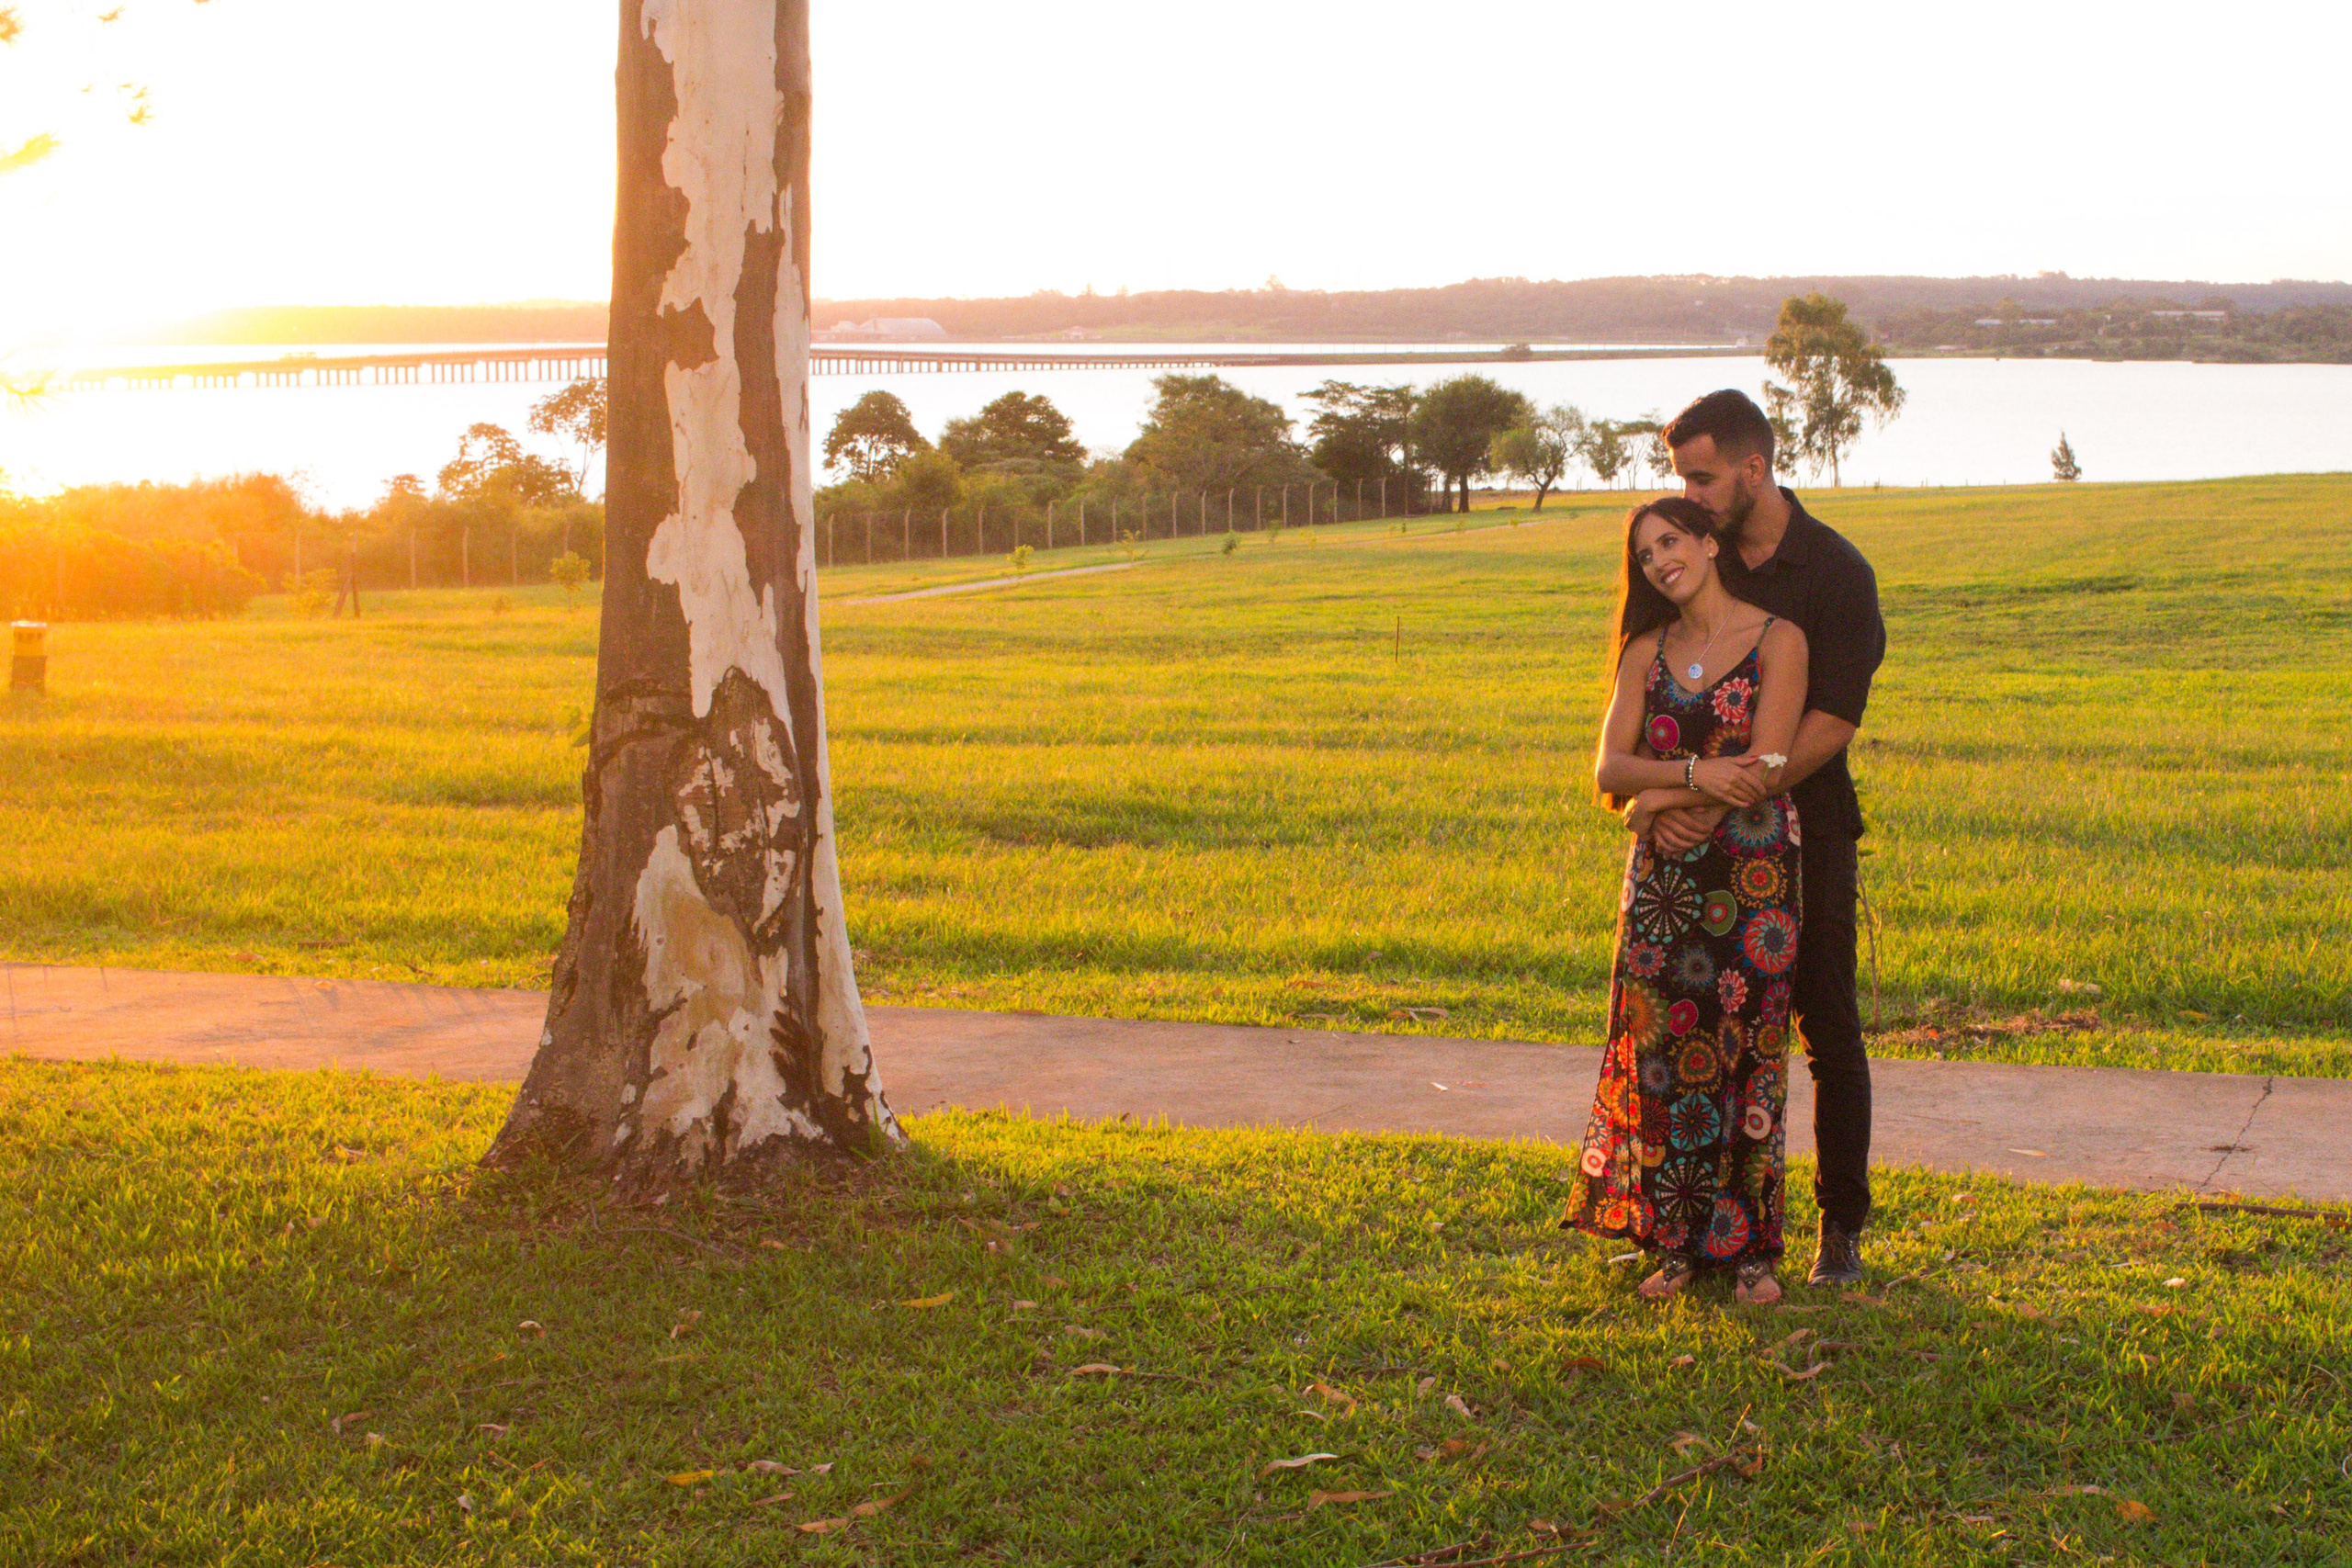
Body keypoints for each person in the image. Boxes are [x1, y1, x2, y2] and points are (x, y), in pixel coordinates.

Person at [1657, 389, 1886, 1286]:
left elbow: (1831, 721)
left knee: (1826, 1026)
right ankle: (1708, 1230)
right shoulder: (1701, 562)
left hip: (1809, 830)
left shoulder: (1834, 572)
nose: (1689, 493)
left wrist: (1726, 792)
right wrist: (1671, 796)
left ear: (1754, 468)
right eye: (1682, 477)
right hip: (1703, 845)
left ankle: (1842, 1232)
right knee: (1711, 1031)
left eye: (1702, 476)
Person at [1563, 496, 1808, 1305]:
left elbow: (1767, 765)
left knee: (1746, 1051)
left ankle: (1749, 1254)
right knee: (1664, 1049)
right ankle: (1674, 1242)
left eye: (1670, 540)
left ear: (1708, 542)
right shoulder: (1643, 650)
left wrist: (1661, 801)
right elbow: (1610, 769)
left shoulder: (1780, 640)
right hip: (1664, 887)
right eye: (1643, 554)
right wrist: (1691, 785)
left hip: (1752, 879)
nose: (1658, 560)